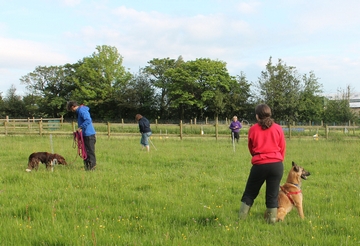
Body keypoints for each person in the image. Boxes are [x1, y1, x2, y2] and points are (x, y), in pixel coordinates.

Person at [239, 104, 286, 224]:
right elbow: (282, 147)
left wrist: (257, 157)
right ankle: (271, 221)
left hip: (259, 165)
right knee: (272, 194)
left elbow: (251, 147)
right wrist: (278, 160)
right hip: (276, 165)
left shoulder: (253, 129)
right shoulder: (278, 128)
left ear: (257, 116)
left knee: (250, 192)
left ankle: (241, 219)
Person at [67, 101, 97, 171]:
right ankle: (87, 168)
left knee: (89, 152)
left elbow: (88, 120)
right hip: (85, 134)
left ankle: (91, 168)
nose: (71, 111)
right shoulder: (80, 111)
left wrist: (81, 127)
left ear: (72, 107)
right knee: (85, 152)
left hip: (88, 135)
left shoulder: (81, 110)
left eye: (71, 109)